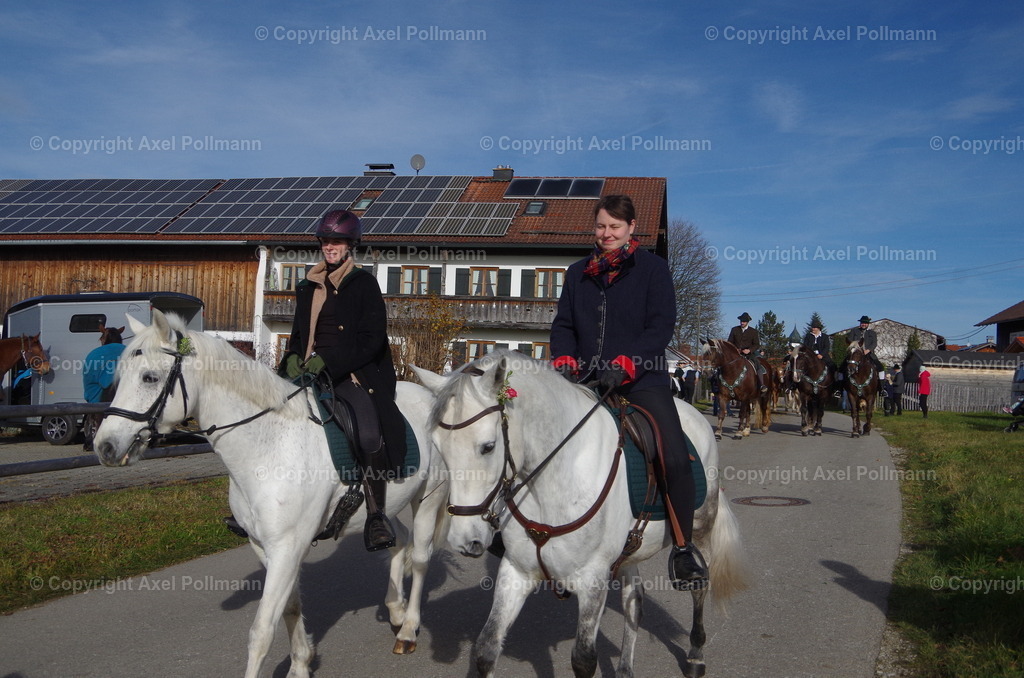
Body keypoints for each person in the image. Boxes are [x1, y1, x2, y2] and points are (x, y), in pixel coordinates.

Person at [550, 194, 707, 587]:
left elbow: (661, 325)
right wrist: (565, 360)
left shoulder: (654, 269)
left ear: (632, 228)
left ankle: (684, 548)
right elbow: (563, 325)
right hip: (585, 383)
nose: (607, 234)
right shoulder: (577, 272)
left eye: (615, 227)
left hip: (642, 382)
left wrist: (627, 365)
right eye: (601, 226)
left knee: (671, 452)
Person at [229, 209, 405, 551]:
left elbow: (371, 340)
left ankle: (376, 514)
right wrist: (294, 357)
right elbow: (298, 334)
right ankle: (251, 509)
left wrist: (331, 361)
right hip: (308, 371)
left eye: (336, 241)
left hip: (352, 373)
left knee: (368, 430)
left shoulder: (364, 284)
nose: (330, 247)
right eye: (325, 241)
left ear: (351, 244)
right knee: (264, 420)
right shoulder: (308, 285)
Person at [82, 325, 125, 451]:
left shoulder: (94, 355)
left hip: (100, 398)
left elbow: (89, 378)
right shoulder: (129, 351)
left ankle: (94, 439)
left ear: (104, 339)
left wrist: (90, 397)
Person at [727, 312, 767, 393]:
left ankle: (762, 384)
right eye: (741, 321)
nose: (742, 323)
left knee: (757, 364)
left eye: (744, 321)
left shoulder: (753, 331)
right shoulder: (734, 330)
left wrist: (749, 350)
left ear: (748, 322)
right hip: (736, 353)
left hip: (749, 354)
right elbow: (729, 342)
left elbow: (757, 344)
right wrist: (735, 349)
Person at [842, 315, 885, 384]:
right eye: (862, 323)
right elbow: (850, 340)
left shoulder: (872, 333)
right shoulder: (854, 331)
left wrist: (868, 350)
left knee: (880, 368)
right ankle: (839, 388)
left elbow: (874, 343)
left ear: (868, 324)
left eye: (865, 323)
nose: (864, 324)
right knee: (841, 368)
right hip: (855, 353)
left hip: (868, 353)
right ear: (860, 323)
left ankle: (882, 388)